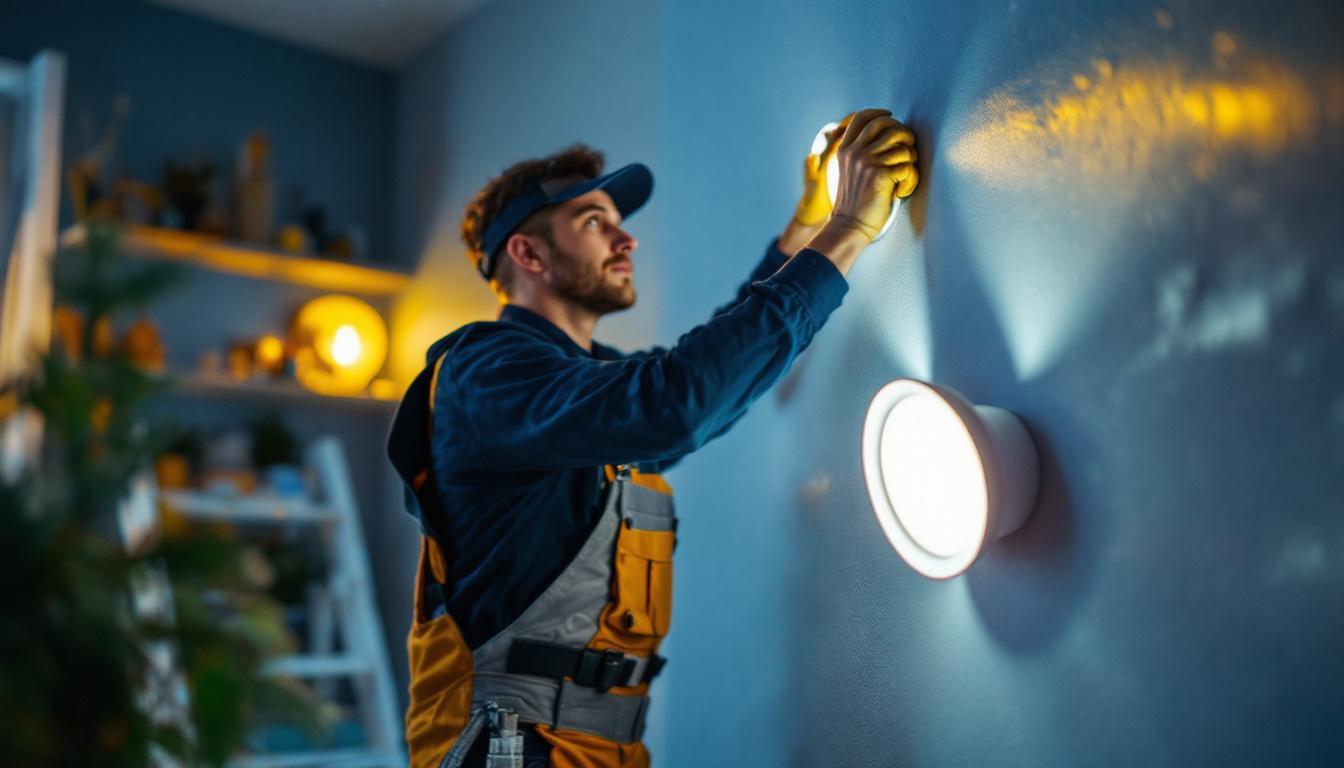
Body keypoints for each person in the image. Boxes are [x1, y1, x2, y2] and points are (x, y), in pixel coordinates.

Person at [387, 108, 919, 768]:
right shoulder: (486, 374)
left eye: (620, 223)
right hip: (509, 752)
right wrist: (850, 228)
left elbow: (692, 387)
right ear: (527, 254)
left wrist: (807, 225)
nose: (625, 239)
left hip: (599, 747)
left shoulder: (577, 387)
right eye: (594, 223)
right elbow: (676, 403)